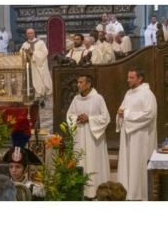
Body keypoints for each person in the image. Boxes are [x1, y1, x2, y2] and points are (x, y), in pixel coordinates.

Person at [66, 74, 111, 199]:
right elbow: (70, 115)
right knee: (80, 160)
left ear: (88, 84)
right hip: (80, 136)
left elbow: (105, 118)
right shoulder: (76, 99)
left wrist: (90, 119)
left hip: (93, 138)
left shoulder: (98, 98)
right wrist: (76, 118)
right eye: (78, 82)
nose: (78, 85)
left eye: (81, 82)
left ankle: (96, 191)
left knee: (93, 161)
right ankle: (82, 191)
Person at [116, 67, 157, 200]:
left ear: (140, 78)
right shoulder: (129, 93)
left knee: (137, 162)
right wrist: (120, 113)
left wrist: (126, 114)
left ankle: (138, 194)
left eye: (131, 77)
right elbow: (122, 110)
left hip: (141, 136)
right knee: (128, 162)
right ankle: (127, 191)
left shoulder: (147, 94)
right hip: (128, 134)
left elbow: (149, 115)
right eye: (128, 77)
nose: (128, 80)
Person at [20, 28, 53, 103]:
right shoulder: (25, 44)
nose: (29, 35)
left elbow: (45, 52)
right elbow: (21, 53)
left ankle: (40, 93)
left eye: (31, 33)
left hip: (39, 64)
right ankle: (32, 94)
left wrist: (33, 53)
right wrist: (26, 53)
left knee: (39, 78)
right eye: (28, 33)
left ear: (34, 34)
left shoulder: (40, 42)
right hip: (29, 65)